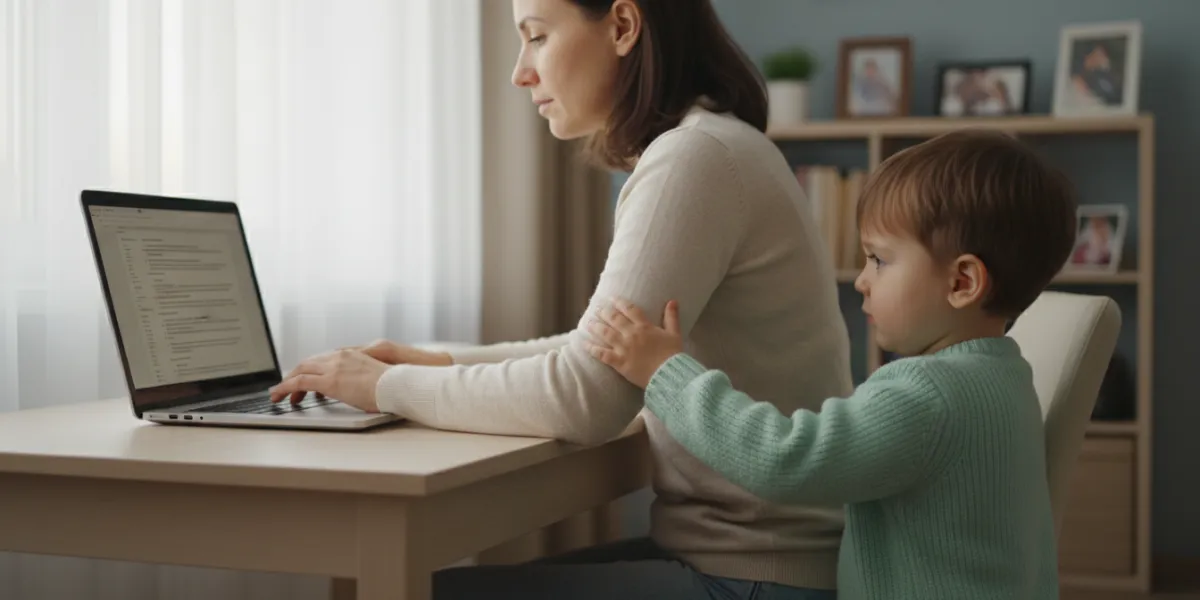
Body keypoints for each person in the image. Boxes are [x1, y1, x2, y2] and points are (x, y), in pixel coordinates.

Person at [268, 0, 853, 598]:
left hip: (755, 576)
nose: (520, 71)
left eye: (538, 37)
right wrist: (441, 364)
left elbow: (586, 397)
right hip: (750, 559)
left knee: (398, 589)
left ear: (623, 26)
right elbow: (601, 354)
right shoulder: (715, 144)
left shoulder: (694, 158)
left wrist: (382, 389)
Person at [588, 130, 1078, 600]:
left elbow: (784, 459)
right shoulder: (1005, 378)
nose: (862, 281)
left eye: (879, 260)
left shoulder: (924, 395)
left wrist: (666, 374)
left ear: (962, 282)